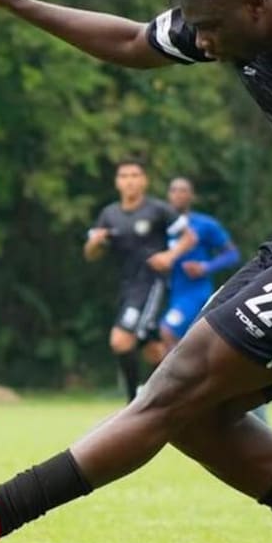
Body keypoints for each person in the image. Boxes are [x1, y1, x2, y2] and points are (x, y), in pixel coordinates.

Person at [0, 0, 272, 543]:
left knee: (179, 385)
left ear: (255, 3)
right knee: (197, 417)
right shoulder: (234, 19)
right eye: (195, 26)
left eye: (210, 28)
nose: (202, 42)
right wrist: (19, 2)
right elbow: (132, 41)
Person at [84, 159, 191, 401]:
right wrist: (95, 242)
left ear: (144, 181)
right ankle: (175, 395)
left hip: (151, 284)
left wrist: (169, 255)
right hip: (127, 287)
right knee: (153, 350)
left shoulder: (157, 209)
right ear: (117, 182)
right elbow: (91, 254)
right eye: (124, 176)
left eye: (135, 175)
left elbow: (189, 237)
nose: (129, 181)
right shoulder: (109, 214)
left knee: (120, 340)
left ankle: (134, 402)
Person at [158, 176, 240, 352]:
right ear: (168, 195)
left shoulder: (205, 225)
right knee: (156, 346)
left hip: (195, 293)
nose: (178, 194)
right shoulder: (160, 226)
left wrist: (205, 267)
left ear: (192, 196)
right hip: (168, 294)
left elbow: (232, 254)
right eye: (174, 190)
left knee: (168, 330)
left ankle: (179, 370)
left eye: (183, 190)